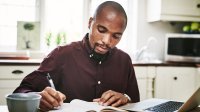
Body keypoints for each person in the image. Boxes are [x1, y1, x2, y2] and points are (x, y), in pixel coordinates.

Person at [14, 1, 140, 111]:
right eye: (101, 30)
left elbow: (136, 103)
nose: (107, 41)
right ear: (90, 23)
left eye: (116, 36)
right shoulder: (61, 55)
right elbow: (20, 93)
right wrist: (38, 97)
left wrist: (126, 99)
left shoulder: (124, 60)